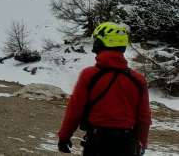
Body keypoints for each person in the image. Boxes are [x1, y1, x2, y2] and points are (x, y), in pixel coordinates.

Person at [58, 22, 151, 155]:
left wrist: (64, 137)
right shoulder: (138, 79)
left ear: (102, 43)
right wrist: (141, 143)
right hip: (126, 145)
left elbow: (75, 110)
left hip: (97, 142)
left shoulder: (89, 75)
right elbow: (144, 118)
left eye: (96, 40)